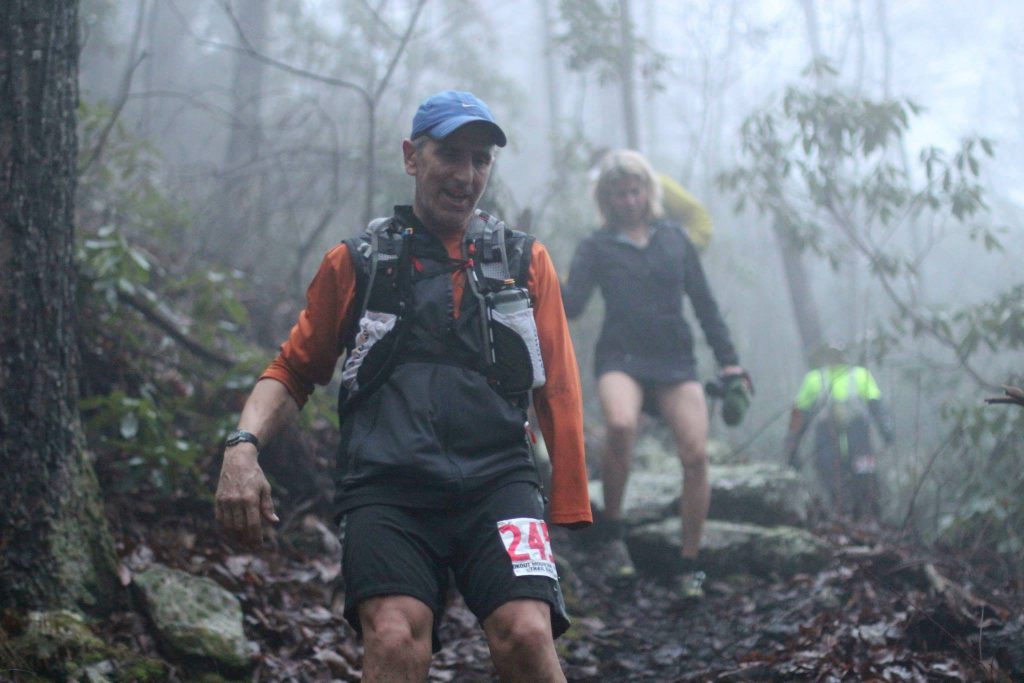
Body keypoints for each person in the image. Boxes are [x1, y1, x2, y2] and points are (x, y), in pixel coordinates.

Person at [215, 90, 592, 682]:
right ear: (412, 157)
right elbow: (291, 370)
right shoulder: (357, 262)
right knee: (394, 635)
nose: (466, 175)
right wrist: (242, 447)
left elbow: (559, 383)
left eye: (481, 159)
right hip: (387, 489)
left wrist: (570, 497)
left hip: (498, 481)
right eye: (450, 154)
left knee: (525, 632)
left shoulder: (523, 261)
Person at [561, 149, 749, 599]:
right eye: (619, 193)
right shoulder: (596, 245)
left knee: (696, 456)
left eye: (635, 190)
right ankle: (613, 536)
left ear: (648, 191)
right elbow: (573, 305)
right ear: (606, 199)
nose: (628, 200)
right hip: (620, 358)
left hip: (674, 362)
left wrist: (729, 361)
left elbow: (704, 305)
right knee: (622, 426)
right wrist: (534, 271)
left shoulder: (675, 240)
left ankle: (689, 563)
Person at [783, 343, 894, 520]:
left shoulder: (860, 376)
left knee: (865, 478)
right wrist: (792, 444)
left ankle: (867, 517)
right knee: (833, 480)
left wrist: (886, 428)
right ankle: (843, 518)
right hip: (828, 434)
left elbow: (876, 405)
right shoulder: (815, 379)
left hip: (857, 433)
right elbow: (800, 414)